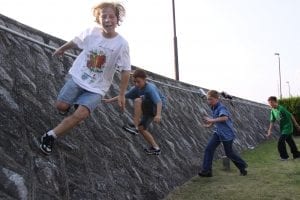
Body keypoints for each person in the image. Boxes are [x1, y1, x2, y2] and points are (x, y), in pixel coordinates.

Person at [40, 2, 131, 155]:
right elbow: (76, 41)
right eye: (104, 16)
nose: (108, 20)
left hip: (97, 88)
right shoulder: (91, 32)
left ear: (117, 19)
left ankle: (50, 136)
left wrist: (121, 94)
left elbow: (126, 70)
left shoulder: (122, 44)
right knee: (60, 107)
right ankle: (71, 105)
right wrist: (62, 48)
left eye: (112, 16)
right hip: (78, 78)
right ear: (98, 18)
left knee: (80, 115)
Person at [104, 69, 166, 155]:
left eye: (139, 82)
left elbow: (159, 102)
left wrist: (158, 115)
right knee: (142, 129)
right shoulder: (136, 88)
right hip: (149, 110)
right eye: (135, 82)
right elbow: (123, 95)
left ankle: (135, 127)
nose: (136, 84)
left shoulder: (150, 88)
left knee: (138, 101)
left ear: (145, 80)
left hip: (156, 107)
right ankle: (156, 148)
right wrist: (109, 100)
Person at [199, 90, 248, 177]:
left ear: (217, 99)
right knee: (209, 149)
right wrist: (210, 125)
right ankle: (207, 171)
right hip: (218, 133)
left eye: (210, 99)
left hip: (227, 134)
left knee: (229, 153)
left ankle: (242, 166)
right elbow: (216, 118)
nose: (209, 101)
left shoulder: (221, 107)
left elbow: (224, 118)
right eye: (208, 99)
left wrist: (211, 120)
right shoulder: (213, 107)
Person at [267, 96, 300, 160]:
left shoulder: (281, 108)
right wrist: (269, 130)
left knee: (280, 142)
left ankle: (284, 157)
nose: (270, 104)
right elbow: (272, 121)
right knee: (290, 141)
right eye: (269, 103)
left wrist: (296, 125)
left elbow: (291, 115)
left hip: (288, 127)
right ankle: (296, 154)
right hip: (283, 128)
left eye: (271, 102)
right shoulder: (273, 111)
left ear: (275, 102)